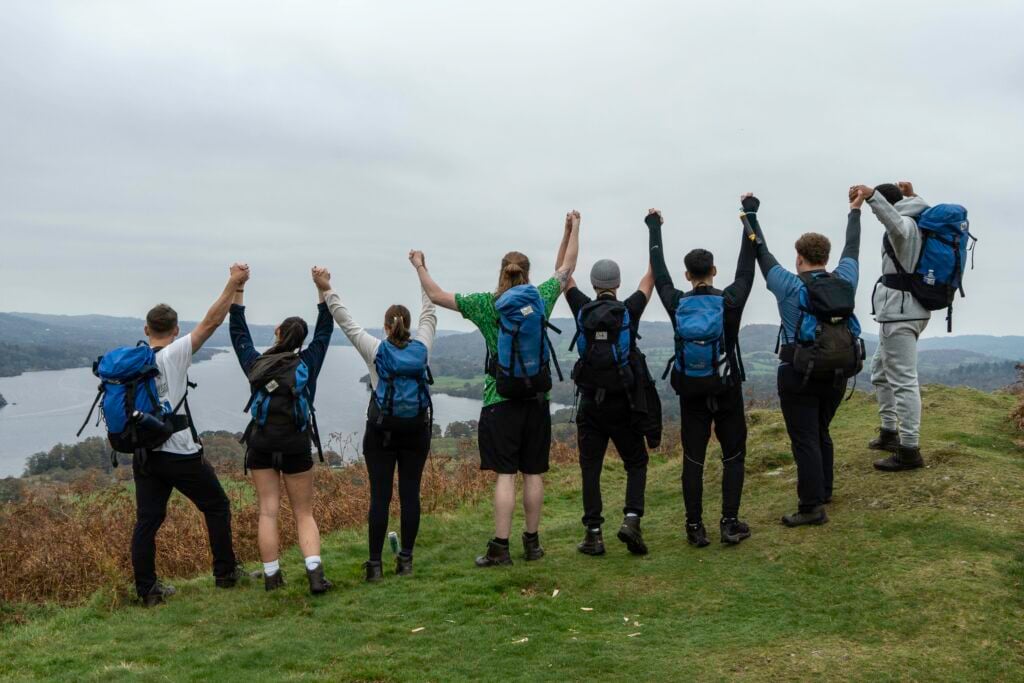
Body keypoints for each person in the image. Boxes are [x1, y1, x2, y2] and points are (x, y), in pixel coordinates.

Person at [413, 211, 581, 567]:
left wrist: (419, 265)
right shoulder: (541, 297)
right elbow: (567, 267)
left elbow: (436, 294)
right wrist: (572, 228)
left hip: (500, 399)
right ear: (528, 273)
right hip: (538, 399)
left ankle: (500, 547)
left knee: (507, 475)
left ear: (501, 272)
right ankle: (532, 544)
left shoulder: (485, 305)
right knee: (533, 472)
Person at [746, 189, 865, 527]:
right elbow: (853, 248)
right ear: (825, 256)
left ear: (799, 258)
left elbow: (761, 252)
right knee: (820, 430)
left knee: (805, 439)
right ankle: (824, 489)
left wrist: (750, 213)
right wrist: (855, 211)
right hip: (840, 369)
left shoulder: (788, 284)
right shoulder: (845, 279)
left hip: (799, 373)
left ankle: (811, 506)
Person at [132, 264, 249, 607]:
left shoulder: (134, 362)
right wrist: (233, 283)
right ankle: (225, 573)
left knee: (148, 522)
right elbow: (212, 322)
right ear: (175, 329)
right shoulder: (175, 353)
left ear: (146, 328)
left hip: (144, 455)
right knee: (216, 505)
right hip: (179, 451)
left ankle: (147, 591)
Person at [645, 207, 756, 547]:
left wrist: (654, 227)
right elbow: (747, 267)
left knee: (693, 458)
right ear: (713, 271)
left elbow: (659, 272)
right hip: (726, 387)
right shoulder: (731, 300)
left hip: (691, 390)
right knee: (733, 455)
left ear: (687, 275)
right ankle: (729, 522)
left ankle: (695, 527)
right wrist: (749, 215)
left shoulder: (676, 301)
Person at [321, 258, 437, 581]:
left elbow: (346, 322)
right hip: (416, 430)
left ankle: (374, 565)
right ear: (409, 326)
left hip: (381, 433)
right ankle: (407, 560)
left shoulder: (376, 349)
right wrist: (420, 270)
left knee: (380, 496)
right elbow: (430, 312)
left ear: (386, 327)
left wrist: (327, 288)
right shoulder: (422, 346)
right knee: (410, 494)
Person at [228, 266, 335, 594]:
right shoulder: (308, 363)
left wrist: (239, 289)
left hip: (261, 443)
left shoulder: (256, 364)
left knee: (268, 511)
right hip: (296, 443)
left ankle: (272, 576)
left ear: (277, 333)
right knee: (304, 513)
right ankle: (315, 575)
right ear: (299, 340)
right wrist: (322, 289)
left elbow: (239, 334)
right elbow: (325, 330)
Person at [565, 258, 655, 556]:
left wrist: (570, 231)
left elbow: (563, 275)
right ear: (616, 284)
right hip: (624, 403)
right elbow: (650, 279)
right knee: (636, 462)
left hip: (590, 403)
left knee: (591, 468)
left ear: (594, 284)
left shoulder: (581, 308)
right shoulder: (628, 310)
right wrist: (655, 230)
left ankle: (593, 535)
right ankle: (632, 520)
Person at [851, 181, 930, 472]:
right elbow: (903, 212)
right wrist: (912, 195)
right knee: (880, 372)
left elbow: (893, 221)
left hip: (900, 314)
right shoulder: (918, 215)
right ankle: (888, 431)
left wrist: (871, 197)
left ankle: (909, 449)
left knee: (904, 380)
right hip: (902, 311)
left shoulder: (906, 225)